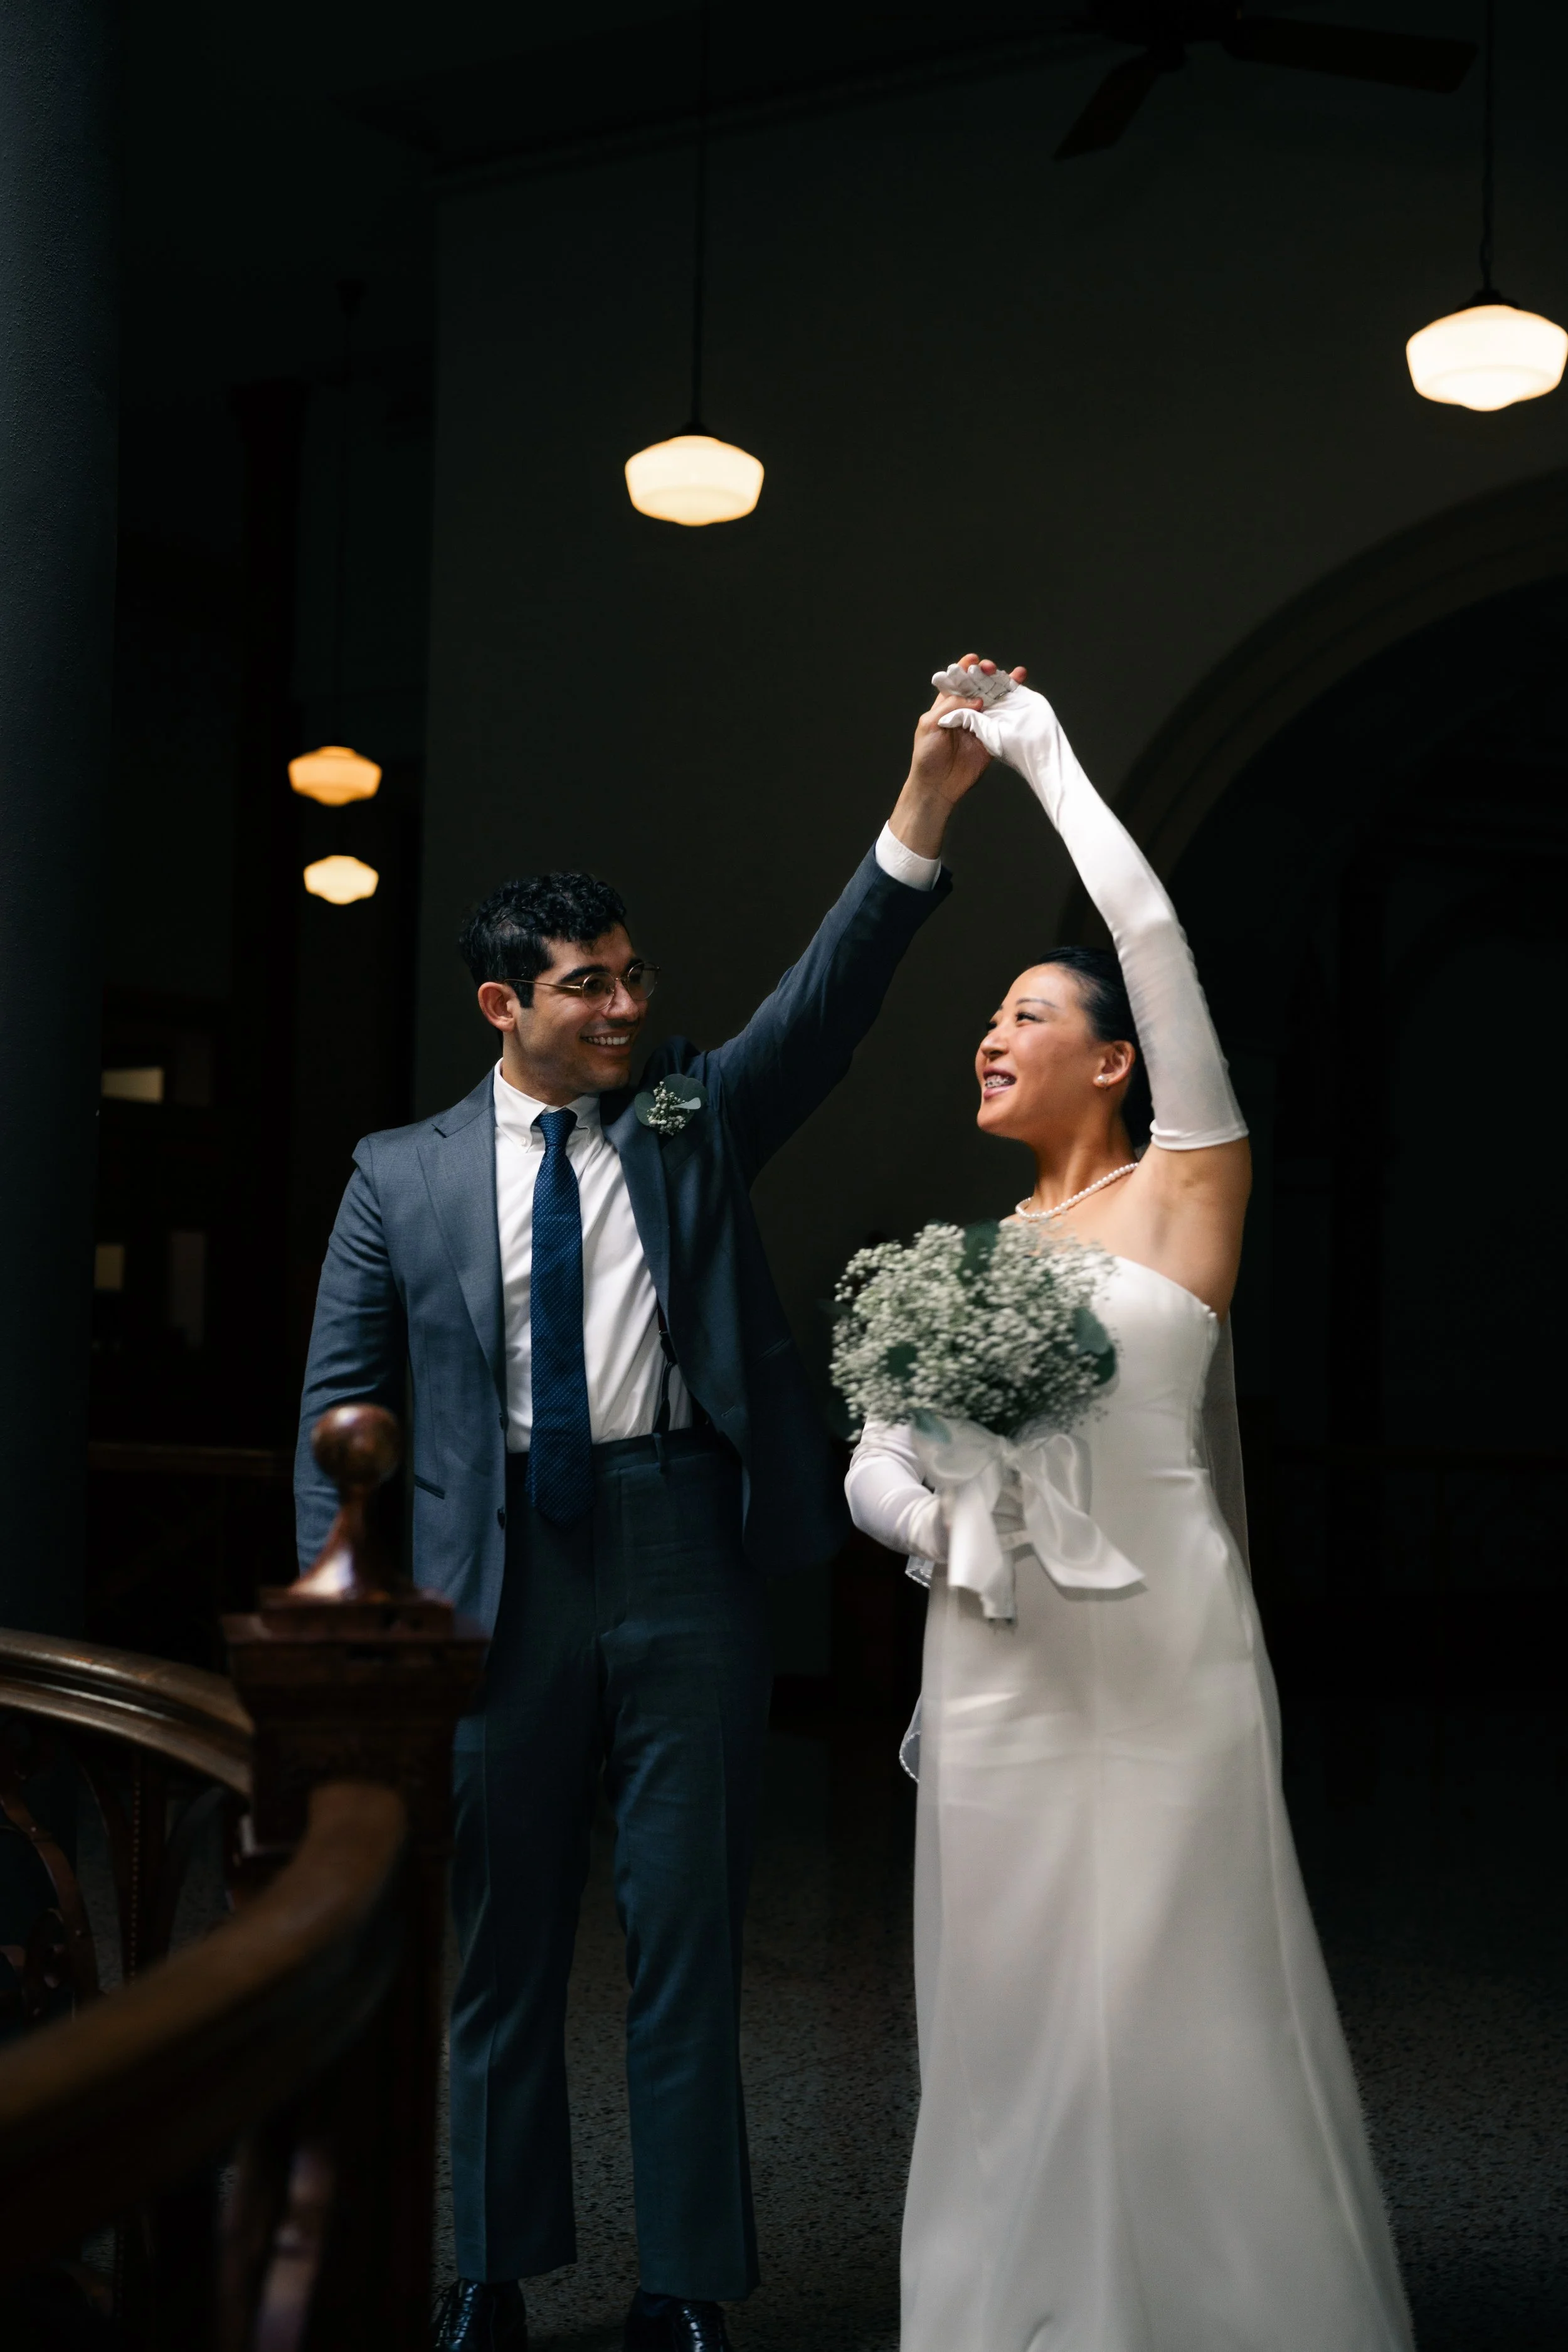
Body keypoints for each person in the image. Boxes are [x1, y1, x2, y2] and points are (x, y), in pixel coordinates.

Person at [293, 672, 1004, 2352]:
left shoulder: (690, 1111)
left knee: (685, 1925)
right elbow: (332, 1415)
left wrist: (924, 801)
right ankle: (486, 2265)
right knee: (500, 1941)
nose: (624, 1004)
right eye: (586, 984)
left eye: (632, 975)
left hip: (685, 1549)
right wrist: (342, 1633)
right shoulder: (394, 1175)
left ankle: (682, 2279)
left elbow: (825, 1005)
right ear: (501, 1003)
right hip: (492, 1579)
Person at [846, 660, 1414, 2352]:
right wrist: (930, 1525)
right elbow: (873, 1449)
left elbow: (1151, 936)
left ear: (1111, 1063)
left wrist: (1036, 756)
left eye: (1025, 1012)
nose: (990, 1033)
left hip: (1163, 1652)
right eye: (987, 1019)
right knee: (1007, 2012)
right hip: (997, 1662)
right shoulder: (954, 1266)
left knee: (1178, 2009)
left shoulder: (1187, 1190)